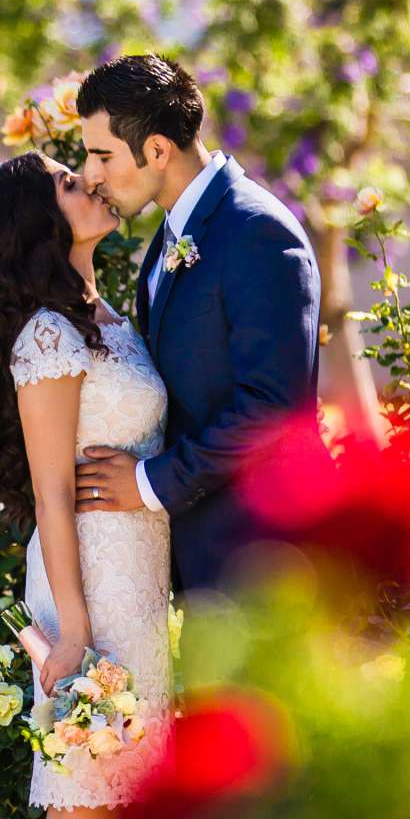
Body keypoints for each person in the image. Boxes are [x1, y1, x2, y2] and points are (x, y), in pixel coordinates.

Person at [0, 149, 170, 819]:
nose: (93, 183)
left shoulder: (106, 317)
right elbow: (50, 495)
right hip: (88, 590)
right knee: (84, 816)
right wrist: (72, 632)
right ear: (40, 222)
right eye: (70, 184)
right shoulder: (47, 335)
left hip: (136, 580)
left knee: (134, 813)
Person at [68, 55, 320, 596]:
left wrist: (146, 482)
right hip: (204, 561)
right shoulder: (166, 241)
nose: (91, 175)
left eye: (102, 155)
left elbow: (273, 407)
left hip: (264, 557)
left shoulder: (257, 231)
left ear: (157, 150)